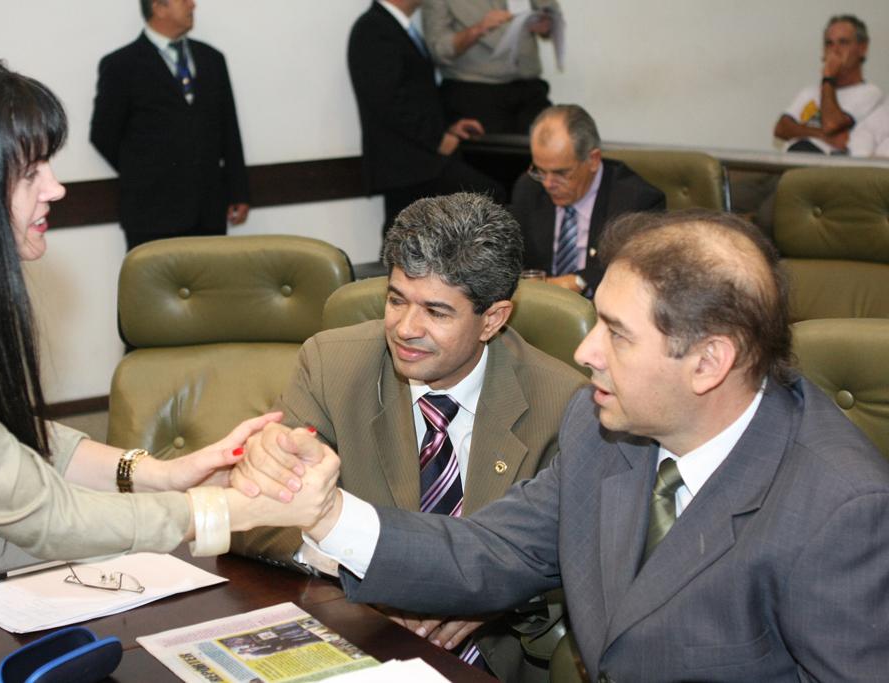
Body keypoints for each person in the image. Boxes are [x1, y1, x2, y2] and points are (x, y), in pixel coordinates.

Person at [257, 209, 889, 681]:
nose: (585, 353)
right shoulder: (601, 428)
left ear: (708, 362)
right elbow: (491, 550)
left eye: (616, 334)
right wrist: (329, 513)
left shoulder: (842, 509)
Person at [0, 56, 337, 597]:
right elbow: (41, 515)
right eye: (30, 172)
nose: (56, 188)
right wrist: (236, 509)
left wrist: (160, 473)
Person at [232, 192, 586, 681]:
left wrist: (489, 595)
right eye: (396, 300)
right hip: (357, 643)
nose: (405, 328)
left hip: (491, 665)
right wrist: (372, 571)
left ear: (492, 319)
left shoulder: (564, 403)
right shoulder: (332, 365)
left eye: (436, 312)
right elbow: (256, 518)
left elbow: (580, 565)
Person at [91, 0, 250, 250]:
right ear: (159, 7)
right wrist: (145, 170)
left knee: (213, 275)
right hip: (151, 215)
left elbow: (229, 130)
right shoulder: (121, 65)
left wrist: (238, 190)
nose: (192, 5)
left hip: (208, 211)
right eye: (183, 0)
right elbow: (103, 135)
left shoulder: (212, 59)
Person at [348, 0, 505, 241]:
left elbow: (418, 94)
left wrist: (449, 125)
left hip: (418, 162)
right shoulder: (373, 29)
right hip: (406, 165)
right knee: (487, 199)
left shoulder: (397, 28)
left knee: (409, 240)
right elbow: (389, 102)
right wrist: (437, 138)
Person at [510, 105, 665, 298]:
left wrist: (578, 281)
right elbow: (513, 257)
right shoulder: (529, 188)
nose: (548, 184)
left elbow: (635, 267)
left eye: (561, 173)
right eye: (540, 170)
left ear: (593, 160)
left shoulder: (636, 200)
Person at [422, 0, 558, 134]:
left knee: (551, 140)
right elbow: (438, 51)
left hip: (529, 89)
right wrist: (478, 29)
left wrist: (547, 24)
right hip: (475, 93)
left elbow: (552, 18)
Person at [774, 14, 884, 155]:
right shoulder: (809, 92)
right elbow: (781, 128)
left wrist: (828, 77)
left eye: (843, 42)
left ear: (862, 48)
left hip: (828, 163)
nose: (835, 50)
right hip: (792, 159)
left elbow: (831, 124)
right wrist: (823, 136)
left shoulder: (870, 92)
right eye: (829, 43)